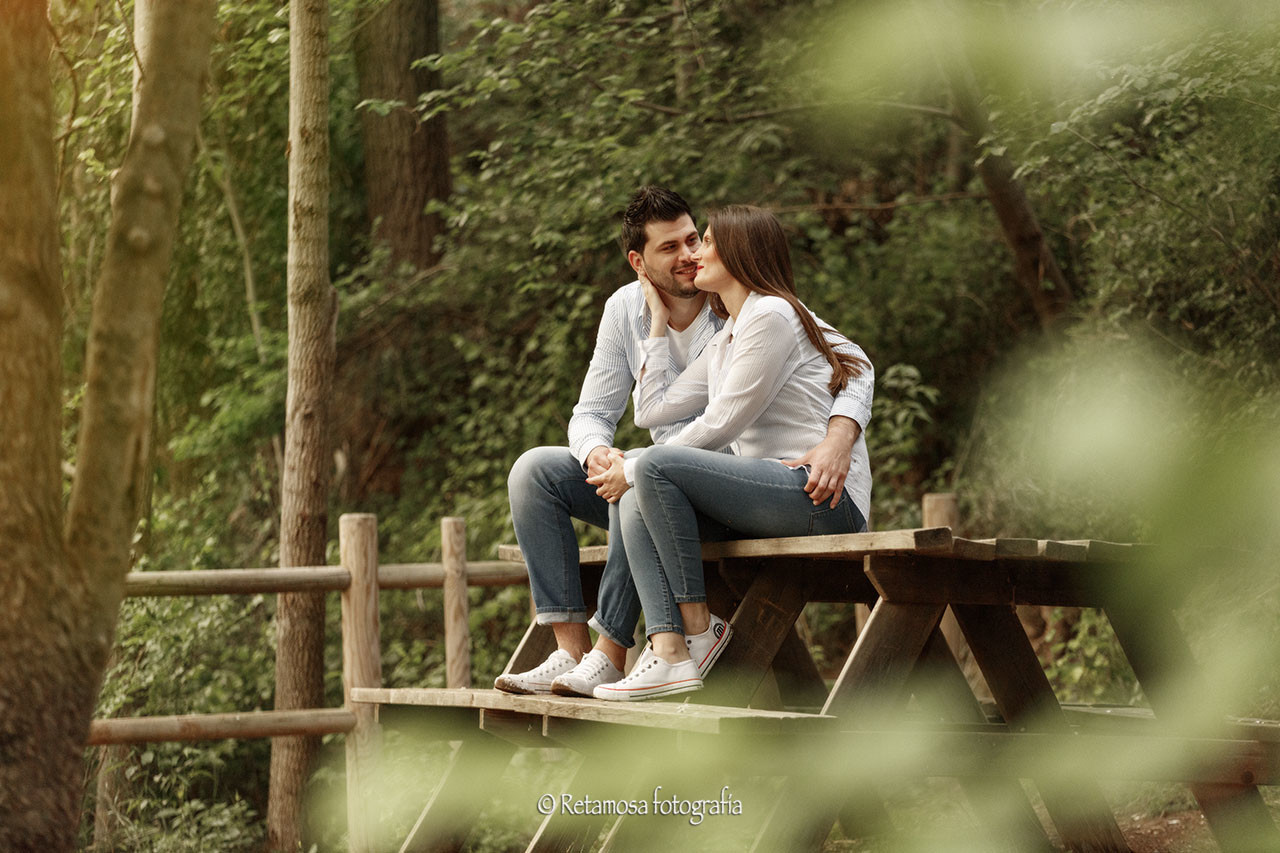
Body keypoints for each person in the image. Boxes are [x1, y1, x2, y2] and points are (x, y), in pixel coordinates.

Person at [496, 189, 873, 698]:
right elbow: (639, 411)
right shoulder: (654, 315)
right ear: (639, 261)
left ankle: (628, 648)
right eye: (671, 247)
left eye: (698, 240)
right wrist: (600, 452)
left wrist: (840, 433)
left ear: (734, 252)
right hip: (696, 487)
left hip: (751, 483)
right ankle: (575, 652)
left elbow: (854, 362)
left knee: (647, 474)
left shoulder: (759, 309)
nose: (690, 255)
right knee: (537, 471)